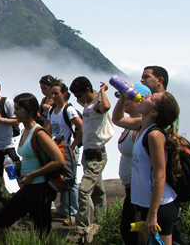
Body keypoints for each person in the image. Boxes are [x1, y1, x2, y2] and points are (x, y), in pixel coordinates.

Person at [0, 93, 63, 244]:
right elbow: (32, 157)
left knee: (43, 232)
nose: (15, 112)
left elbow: (59, 161)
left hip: (40, 187)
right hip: (29, 187)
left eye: (18, 109)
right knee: (0, 221)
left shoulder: (39, 133)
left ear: (29, 110)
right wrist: (17, 166)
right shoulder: (25, 131)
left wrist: (33, 174)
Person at [116, 91, 182, 245]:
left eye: (152, 98)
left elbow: (160, 176)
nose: (146, 96)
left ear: (153, 112)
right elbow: (117, 119)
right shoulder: (141, 125)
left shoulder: (154, 135)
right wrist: (123, 96)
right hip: (146, 204)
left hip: (160, 206)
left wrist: (153, 214)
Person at [69, 76, 115, 243]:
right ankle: (102, 222)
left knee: (84, 191)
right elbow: (94, 96)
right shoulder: (89, 103)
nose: (77, 99)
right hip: (89, 154)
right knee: (99, 191)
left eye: (79, 95)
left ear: (88, 91)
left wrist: (103, 90)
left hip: (97, 155)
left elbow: (107, 106)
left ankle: (82, 229)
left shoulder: (97, 105)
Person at [112, 83, 152, 245]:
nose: (125, 102)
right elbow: (116, 118)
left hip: (139, 189)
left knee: (137, 232)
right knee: (129, 232)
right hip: (131, 189)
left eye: (129, 98)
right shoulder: (132, 124)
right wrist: (122, 97)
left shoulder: (142, 125)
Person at [48, 82, 83, 224]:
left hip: (68, 150)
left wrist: (72, 146)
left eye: (56, 93)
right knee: (62, 179)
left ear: (64, 94)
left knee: (71, 181)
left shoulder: (69, 110)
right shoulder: (52, 111)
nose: (53, 96)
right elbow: (51, 129)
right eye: (52, 93)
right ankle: (63, 210)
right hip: (58, 149)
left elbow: (81, 127)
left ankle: (73, 213)